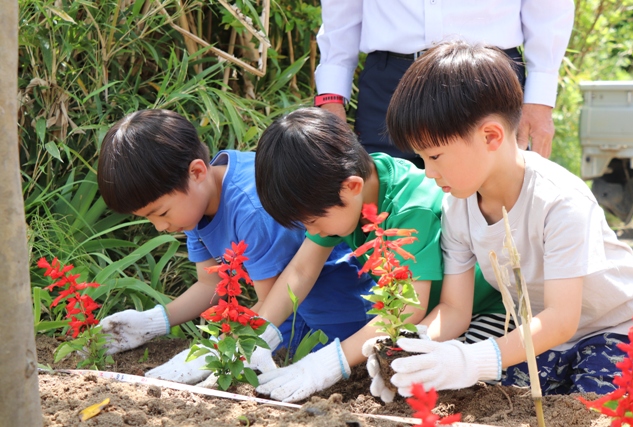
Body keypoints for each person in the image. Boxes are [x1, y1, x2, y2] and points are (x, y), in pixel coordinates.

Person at [381, 40, 633, 397]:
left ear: (490, 136)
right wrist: (409, 346)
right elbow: (455, 310)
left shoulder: (560, 201)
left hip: (615, 328)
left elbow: (561, 318)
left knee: (593, 405)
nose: (428, 173)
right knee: (499, 396)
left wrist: (472, 360)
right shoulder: (457, 206)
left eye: (435, 156)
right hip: (540, 332)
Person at [95, 109, 376, 385]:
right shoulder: (195, 203)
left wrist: (220, 350)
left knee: (287, 368)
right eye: (149, 218)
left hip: (326, 300)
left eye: (162, 213)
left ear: (196, 172)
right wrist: (153, 322)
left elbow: (274, 305)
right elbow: (209, 284)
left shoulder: (251, 209)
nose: (160, 227)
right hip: (284, 302)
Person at [252, 107, 510, 403]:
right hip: (427, 319)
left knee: (460, 385)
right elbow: (301, 271)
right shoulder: (353, 190)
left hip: (484, 311)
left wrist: (326, 364)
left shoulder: (411, 207)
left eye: (312, 221)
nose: (315, 230)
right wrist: (255, 337)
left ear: (351, 188)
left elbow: (407, 308)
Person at [313, 0, 575, 165]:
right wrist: (331, 100)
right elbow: (340, 16)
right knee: (385, 206)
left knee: (491, 209)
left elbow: (550, 9)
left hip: (485, 78)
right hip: (389, 82)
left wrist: (539, 99)